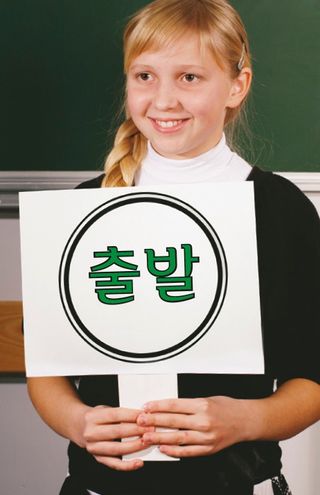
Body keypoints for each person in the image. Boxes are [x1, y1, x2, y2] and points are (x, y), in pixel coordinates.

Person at [27, 1, 320, 494]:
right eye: (144, 75)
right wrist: (78, 422)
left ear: (236, 86)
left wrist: (246, 419)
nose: (163, 100)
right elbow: (48, 372)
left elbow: (312, 380)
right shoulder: (85, 210)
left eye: (189, 77)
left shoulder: (280, 211)